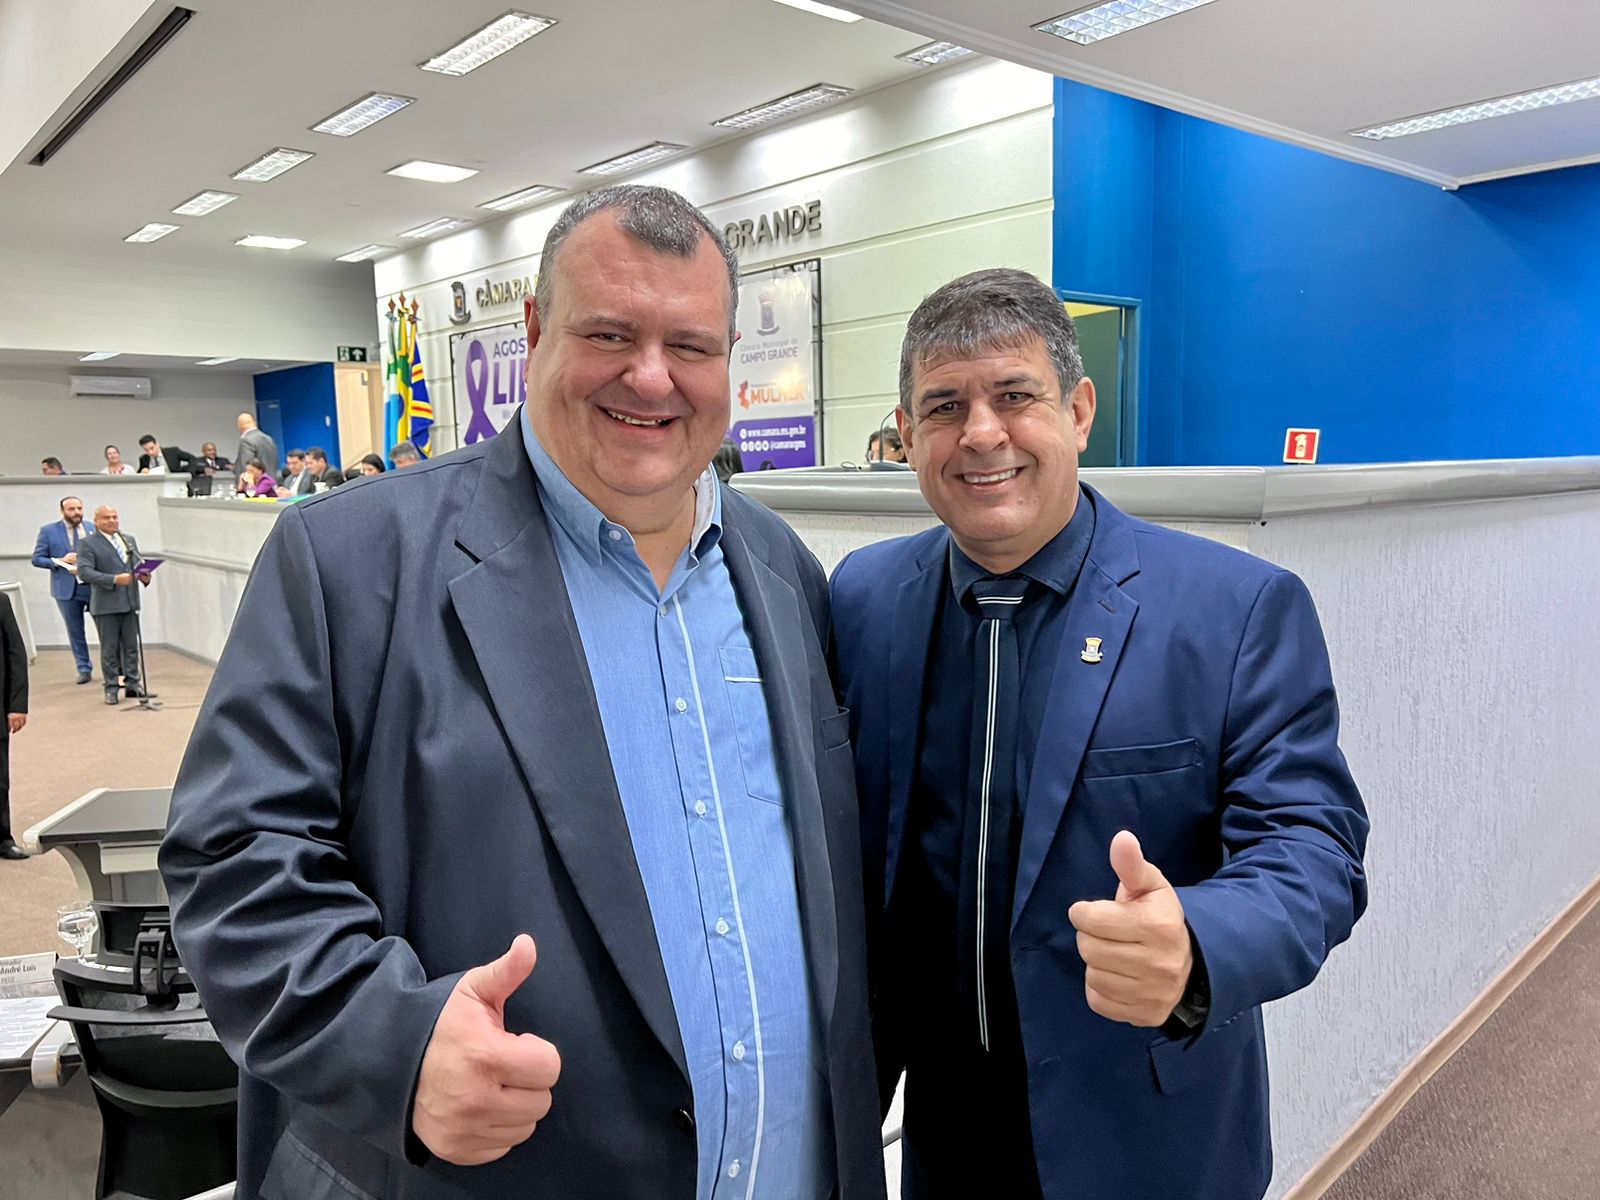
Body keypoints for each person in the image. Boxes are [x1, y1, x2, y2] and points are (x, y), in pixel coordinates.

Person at [159, 184, 884, 1200]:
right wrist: (396, 1045)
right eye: (610, 334)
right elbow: (235, 858)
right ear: (536, 330)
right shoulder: (348, 561)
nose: (651, 377)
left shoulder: (782, 571)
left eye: (689, 345)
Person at [830, 268, 1369, 1200]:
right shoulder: (864, 599)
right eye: (945, 406)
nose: (981, 433)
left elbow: (1314, 849)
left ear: (1079, 411)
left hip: (1142, 1128)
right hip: (941, 1128)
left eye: (1015, 396)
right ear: (906, 434)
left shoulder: (1233, 609)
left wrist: (1197, 938)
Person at [75, 505, 150, 706]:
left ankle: (133, 683)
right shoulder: (87, 543)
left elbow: (136, 564)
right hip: (105, 604)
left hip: (130, 602)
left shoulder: (128, 540)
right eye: (106, 517)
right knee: (110, 649)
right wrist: (115, 579)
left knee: (131, 647)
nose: (112, 521)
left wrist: (144, 575)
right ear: (96, 521)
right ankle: (111, 687)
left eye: (114, 517)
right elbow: (85, 572)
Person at [30, 496, 97, 684]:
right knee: (75, 631)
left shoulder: (93, 528)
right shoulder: (49, 531)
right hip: (67, 589)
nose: (76, 512)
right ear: (63, 511)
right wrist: (59, 561)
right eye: (71, 509)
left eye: (79, 508)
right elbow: (37, 559)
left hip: (93, 586)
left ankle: (114, 669)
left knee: (106, 629)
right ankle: (84, 668)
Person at [0, 593, 27, 860]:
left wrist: (17, 705)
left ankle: (2, 838)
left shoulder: (1, 601)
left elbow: (16, 654)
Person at [234, 412, 278, 484]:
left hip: (256, 486)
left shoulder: (246, 440)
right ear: (254, 423)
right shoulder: (269, 439)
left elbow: (247, 467)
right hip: (271, 483)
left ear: (240, 426)